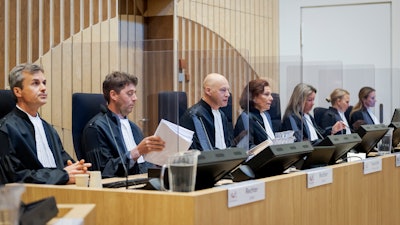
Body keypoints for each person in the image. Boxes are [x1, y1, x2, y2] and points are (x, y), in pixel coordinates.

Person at [0, 63, 91, 184]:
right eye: (35, 83)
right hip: (27, 199)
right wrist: (63, 175)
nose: (43, 88)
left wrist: (78, 168)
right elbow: (15, 176)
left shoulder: (48, 128)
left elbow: (64, 162)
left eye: (44, 83)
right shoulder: (6, 129)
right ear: (18, 91)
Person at [82, 71, 165, 178]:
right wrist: (137, 152)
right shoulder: (95, 128)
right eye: (130, 93)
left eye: (135, 93)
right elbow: (102, 171)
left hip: (143, 183)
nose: (135, 98)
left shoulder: (134, 128)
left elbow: (145, 165)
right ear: (113, 95)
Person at [179, 73, 234, 151]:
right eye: (223, 90)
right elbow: (198, 150)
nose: (227, 94)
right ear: (208, 91)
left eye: (228, 90)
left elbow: (227, 144)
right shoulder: (194, 116)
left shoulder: (222, 115)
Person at [281, 83, 345, 144]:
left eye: (313, 100)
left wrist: (332, 130)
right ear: (299, 100)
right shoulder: (291, 117)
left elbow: (320, 134)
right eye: (309, 100)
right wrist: (320, 142)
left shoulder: (308, 116)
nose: (313, 103)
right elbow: (300, 142)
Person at [234, 79, 275, 149]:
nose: (271, 98)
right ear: (253, 97)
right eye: (266, 94)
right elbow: (246, 147)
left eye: (270, 94)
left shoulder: (266, 116)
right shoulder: (246, 117)